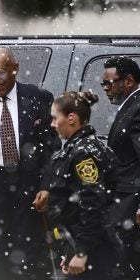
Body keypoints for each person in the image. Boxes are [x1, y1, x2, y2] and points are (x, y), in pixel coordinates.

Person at [0, 47, 61, 279]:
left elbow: (51, 149)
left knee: (29, 259)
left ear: (15, 69)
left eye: (1, 72)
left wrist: (46, 186)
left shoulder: (38, 99)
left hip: (29, 189)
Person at [48, 91, 123, 279]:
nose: (52, 124)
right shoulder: (84, 147)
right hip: (86, 243)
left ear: (71, 118)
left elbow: (92, 204)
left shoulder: (83, 154)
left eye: (55, 118)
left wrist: (81, 253)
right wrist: (72, 250)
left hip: (95, 250)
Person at [102, 56, 140, 278]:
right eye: (103, 84)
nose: (106, 88)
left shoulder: (137, 108)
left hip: (130, 204)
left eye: (109, 82)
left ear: (129, 80)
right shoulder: (131, 105)